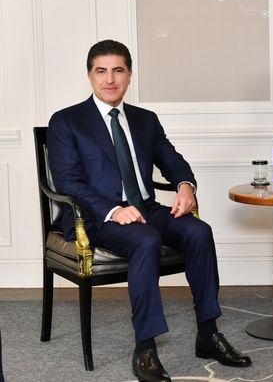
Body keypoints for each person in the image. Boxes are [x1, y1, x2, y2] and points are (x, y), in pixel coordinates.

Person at [47, 39, 252, 382]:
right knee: (145, 240)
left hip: (145, 208)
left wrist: (185, 186)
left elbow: (172, 159)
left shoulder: (145, 120)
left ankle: (208, 333)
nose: (110, 79)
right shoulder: (67, 121)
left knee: (199, 231)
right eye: (101, 71)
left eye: (118, 70)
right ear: (89, 75)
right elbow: (69, 182)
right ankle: (145, 347)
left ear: (129, 75)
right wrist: (113, 210)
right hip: (95, 217)